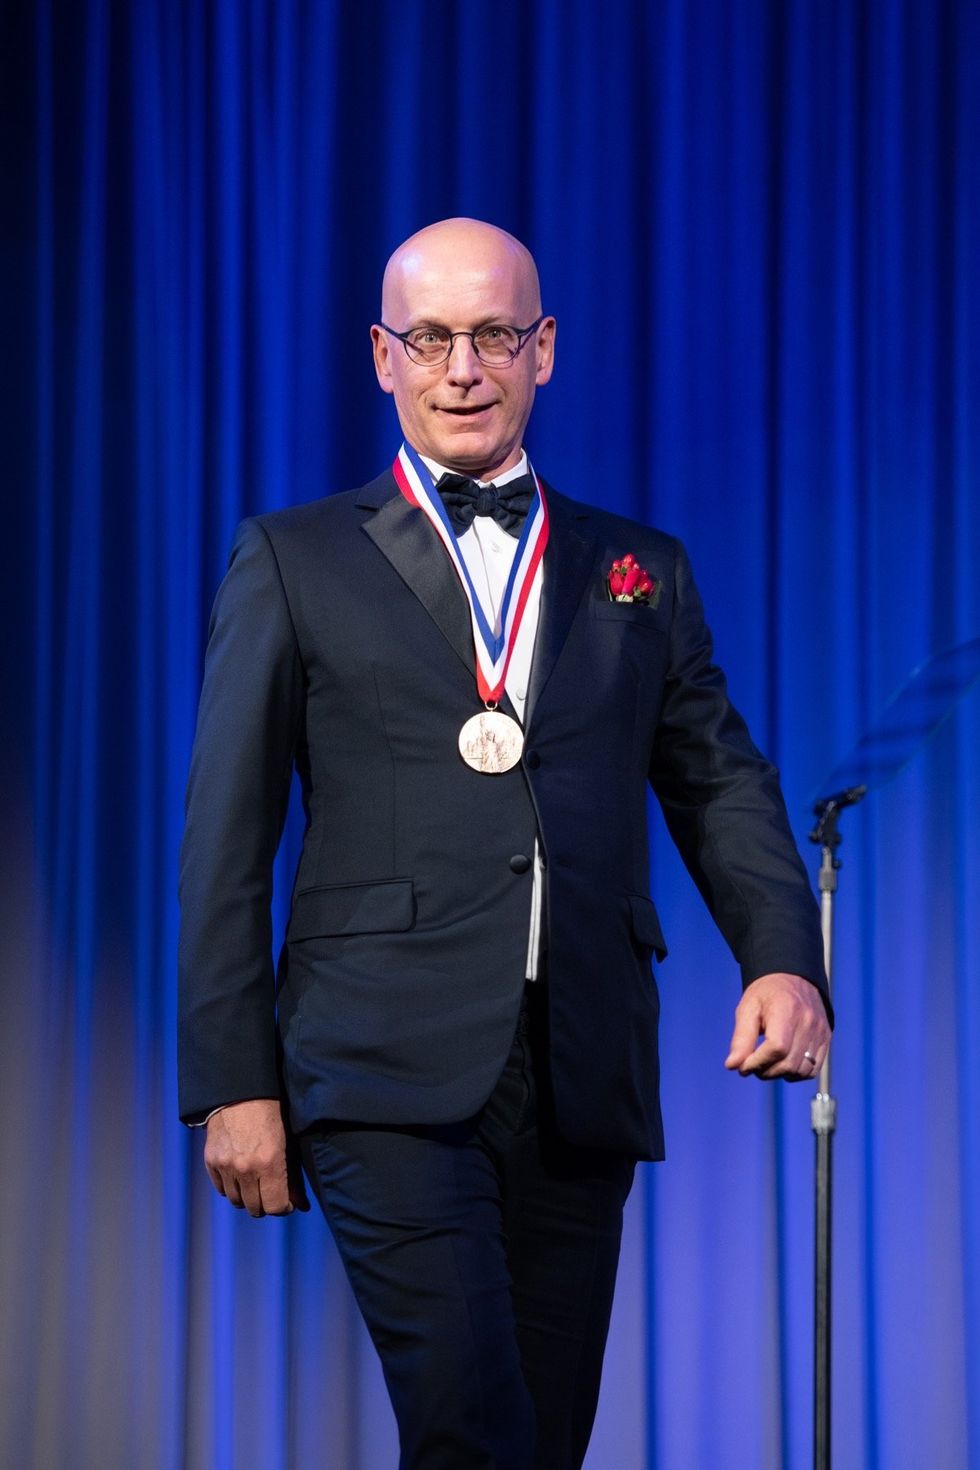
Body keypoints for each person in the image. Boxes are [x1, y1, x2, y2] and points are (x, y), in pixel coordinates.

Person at [178, 218, 832, 1470]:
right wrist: (230, 1078)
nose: (460, 367)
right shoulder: (292, 558)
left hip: (579, 1072)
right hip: (377, 1066)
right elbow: (225, 832)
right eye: (430, 338)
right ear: (382, 356)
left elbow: (718, 783)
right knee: (472, 1429)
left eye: (492, 336)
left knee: (538, 1442)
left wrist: (784, 960)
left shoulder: (637, 568)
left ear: (544, 350)